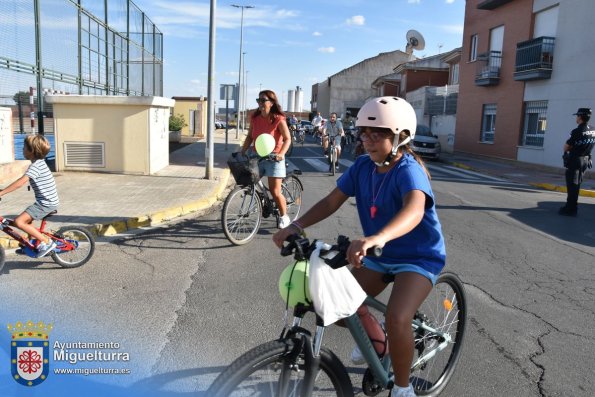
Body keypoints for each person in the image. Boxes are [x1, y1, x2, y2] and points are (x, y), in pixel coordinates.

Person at [273, 96, 446, 397]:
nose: (367, 139)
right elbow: (331, 200)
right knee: (335, 305)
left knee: (398, 317)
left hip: (418, 258)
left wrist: (376, 238)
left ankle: (403, 389)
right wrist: (295, 225)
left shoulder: (408, 170)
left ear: (401, 136)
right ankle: (380, 340)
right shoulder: (363, 167)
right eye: (363, 132)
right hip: (380, 255)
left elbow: (415, 210)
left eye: (376, 133)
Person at [0, 134, 60, 257]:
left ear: (32, 151)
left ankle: (46, 242)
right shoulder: (38, 163)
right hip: (46, 201)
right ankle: (30, 243)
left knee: (19, 221)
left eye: (24, 147)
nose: (22, 149)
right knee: (25, 221)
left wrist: (2, 193)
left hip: (46, 203)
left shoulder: (36, 166)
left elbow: (20, 182)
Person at [240, 90, 293, 228]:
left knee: (275, 191)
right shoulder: (255, 118)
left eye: (263, 100)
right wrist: (242, 151)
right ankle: (262, 201)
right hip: (257, 155)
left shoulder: (278, 119)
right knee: (250, 181)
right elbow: (250, 136)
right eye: (259, 100)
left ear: (271, 102)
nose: (260, 103)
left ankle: (284, 216)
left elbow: (287, 139)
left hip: (274, 157)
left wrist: (281, 153)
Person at [559, 107, 594, 216]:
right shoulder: (593, 129)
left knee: (572, 185)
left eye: (577, 116)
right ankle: (574, 206)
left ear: (580, 117)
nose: (576, 118)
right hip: (585, 160)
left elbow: (566, 147)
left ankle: (570, 208)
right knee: (577, 184)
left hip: (575, 160)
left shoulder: (577, 131)